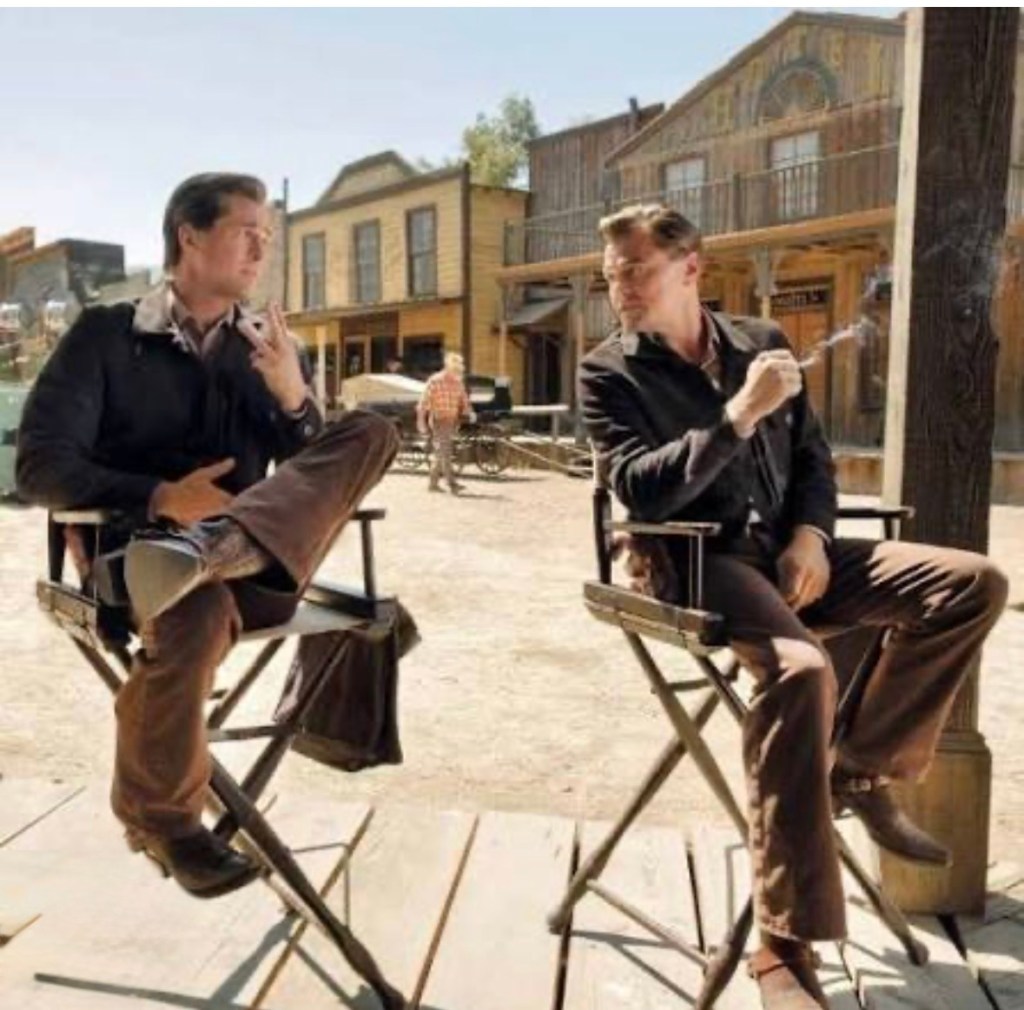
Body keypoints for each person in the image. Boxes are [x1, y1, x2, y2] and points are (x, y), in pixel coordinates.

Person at [578, 204, 1008, 1010]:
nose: (621, 289)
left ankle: (860, 768)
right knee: (802, 670)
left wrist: (812, 533)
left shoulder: (763, 343)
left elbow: (812, 458)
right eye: (611, 276)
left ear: (690, 268)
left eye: (636, 270)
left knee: (971, 582)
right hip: (692, 559)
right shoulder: (610, 370)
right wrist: (736, 415)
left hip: (786, 549)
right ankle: (783, 946)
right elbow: (638, 488)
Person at [16, 173, 398, 900]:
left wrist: (294, 403)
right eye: (244, 229)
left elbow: (315, 474)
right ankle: (167, 821)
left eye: (268, 234)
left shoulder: (269, 347)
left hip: (260, 570)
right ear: (189, 236)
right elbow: (39, 466)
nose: (261, 246)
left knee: (374, 429)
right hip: (141, 564)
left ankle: (219, 545)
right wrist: (159, 496)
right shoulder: (106, 335)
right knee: (185, 609)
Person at [417, 351, 475, 494]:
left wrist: (470, 413)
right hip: (438, 420)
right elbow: (423, 403)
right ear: (448, 366)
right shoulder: (435, 380)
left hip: (451, 421)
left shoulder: (457, 382)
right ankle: (451, 483)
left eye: (459, 369)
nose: (458, 371)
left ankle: (432, 484)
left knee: (440, 452)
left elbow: (464, 400)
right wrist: (421, 421)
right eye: (455, 369)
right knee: (445, 451)